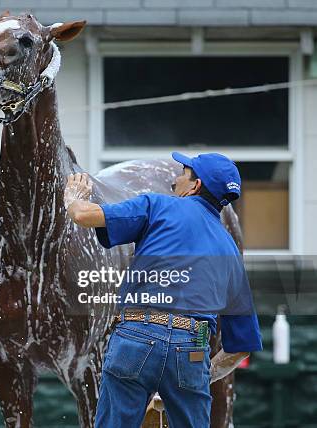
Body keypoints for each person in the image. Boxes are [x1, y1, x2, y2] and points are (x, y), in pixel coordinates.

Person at [64, 152, 262, 428]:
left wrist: (74, 196)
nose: (174, 181)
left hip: (135, 337)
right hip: (192, 347)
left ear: (195, 185)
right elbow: (240, 348)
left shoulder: (158, 206)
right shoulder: (229, 250)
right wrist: (196, 376)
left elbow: (85, 216)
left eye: (182, 173)